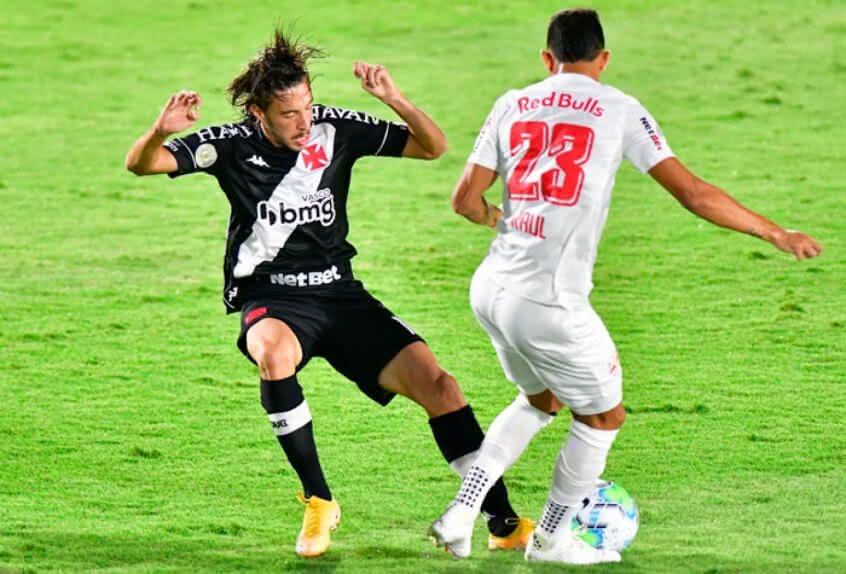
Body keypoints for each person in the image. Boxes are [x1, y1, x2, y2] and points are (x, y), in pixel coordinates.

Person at [428, 8, 823, 565]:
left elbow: (464, 202)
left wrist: (506, 221)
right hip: (549, 304)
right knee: (603, 417)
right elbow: (691, 192)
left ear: (548, 59)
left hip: (491, 290)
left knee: (541, 400)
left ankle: (463, 512)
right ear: (604, 59)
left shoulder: (512, 101)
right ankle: (550, 541)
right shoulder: (619, 108)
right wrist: (774, 232)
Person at [125, 28, 533, 558]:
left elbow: (433, 148)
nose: (305, 122)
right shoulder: (226, 146)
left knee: (441, 388)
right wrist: (160, 130)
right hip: (273, 298)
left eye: (309, 108)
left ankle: (501, 522)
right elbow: (141, 164)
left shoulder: (337, 129)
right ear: (258, 113)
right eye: (290, 114)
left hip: (341, 297)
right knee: (273, 354)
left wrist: (395, 100)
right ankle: (319, 501)